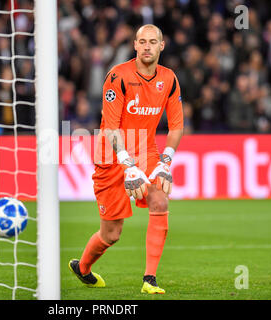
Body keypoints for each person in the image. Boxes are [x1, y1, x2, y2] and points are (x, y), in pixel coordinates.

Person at [68, 24, 184, 294]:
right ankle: (82, 268)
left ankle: (150, 279)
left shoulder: (169, 79)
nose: (147, 46)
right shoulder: (118, 76)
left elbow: (176, 126)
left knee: (159, 198)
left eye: (152, 42)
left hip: (146, 152)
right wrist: (127, 164)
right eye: (142, 41)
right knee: (112, 234)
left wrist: (166, 160)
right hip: (111, 156)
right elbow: (110, 127)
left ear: (161, 46)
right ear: (134, 45)